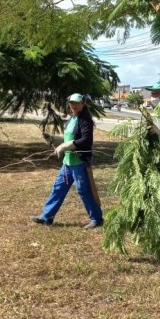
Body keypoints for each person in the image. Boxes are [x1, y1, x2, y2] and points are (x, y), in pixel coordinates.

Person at [32, 93, 103, 229]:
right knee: (58, 189)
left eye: (76, 103)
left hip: (80, 163)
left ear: (83, 103)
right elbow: (69, 138)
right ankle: (47, 217)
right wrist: (54, 139)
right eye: (71, 103)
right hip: (68, 162)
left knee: (84, 190)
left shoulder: (85, 119)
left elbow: (86, 140)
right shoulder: (72, 118)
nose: (74, 105)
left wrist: (64, 146)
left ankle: (97, 218)